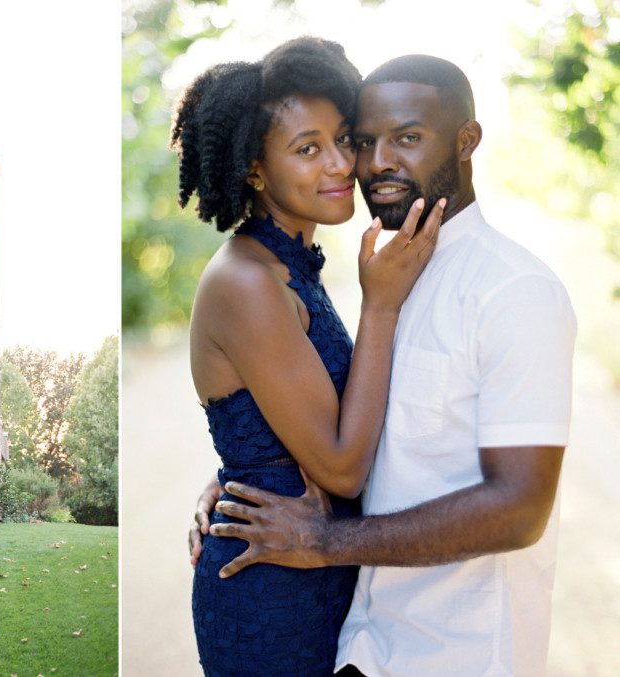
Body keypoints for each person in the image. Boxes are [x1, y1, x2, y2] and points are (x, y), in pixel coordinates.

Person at [193, 55, 577, 676]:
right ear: (256, 167)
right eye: (361, 140)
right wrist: (248, 476)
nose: (362, 164)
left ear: (466, 141)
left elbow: (519, 507)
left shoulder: (511, 291)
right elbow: (352, 441)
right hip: (350, 625)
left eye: (403, 138)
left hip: (452, 649)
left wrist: (312, 528)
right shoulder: (385, 279)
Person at [172, 37, 442, 676]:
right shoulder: (247, 282)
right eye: (307, 148)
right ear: (253, 168)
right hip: (270, 592)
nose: (342, 164)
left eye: (343, 139)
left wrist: (235, 475)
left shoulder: (288, 266)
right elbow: (344, 469)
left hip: (315, 566)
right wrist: (380, 307)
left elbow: (293, 418)